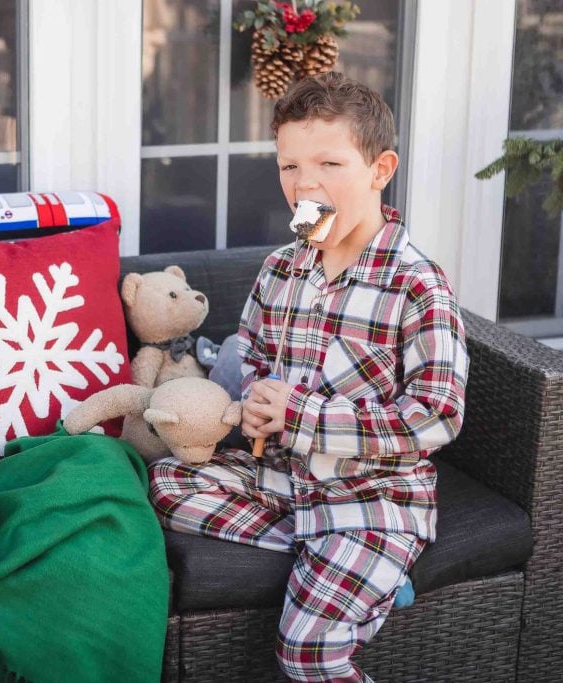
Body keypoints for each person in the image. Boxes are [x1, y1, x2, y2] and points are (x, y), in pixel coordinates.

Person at [148, 72, 469, 682]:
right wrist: (257, 401)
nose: (306, 184)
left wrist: (301, 415)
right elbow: (261, 357)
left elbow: (437, 416)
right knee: (165, 482)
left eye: (329, 163)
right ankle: (344, 569)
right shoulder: (283, 266)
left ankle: (358, 564)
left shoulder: (417, 283)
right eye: (289, 166)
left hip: (374, 497)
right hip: (285, 482)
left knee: (308, 652)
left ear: (380, 169)